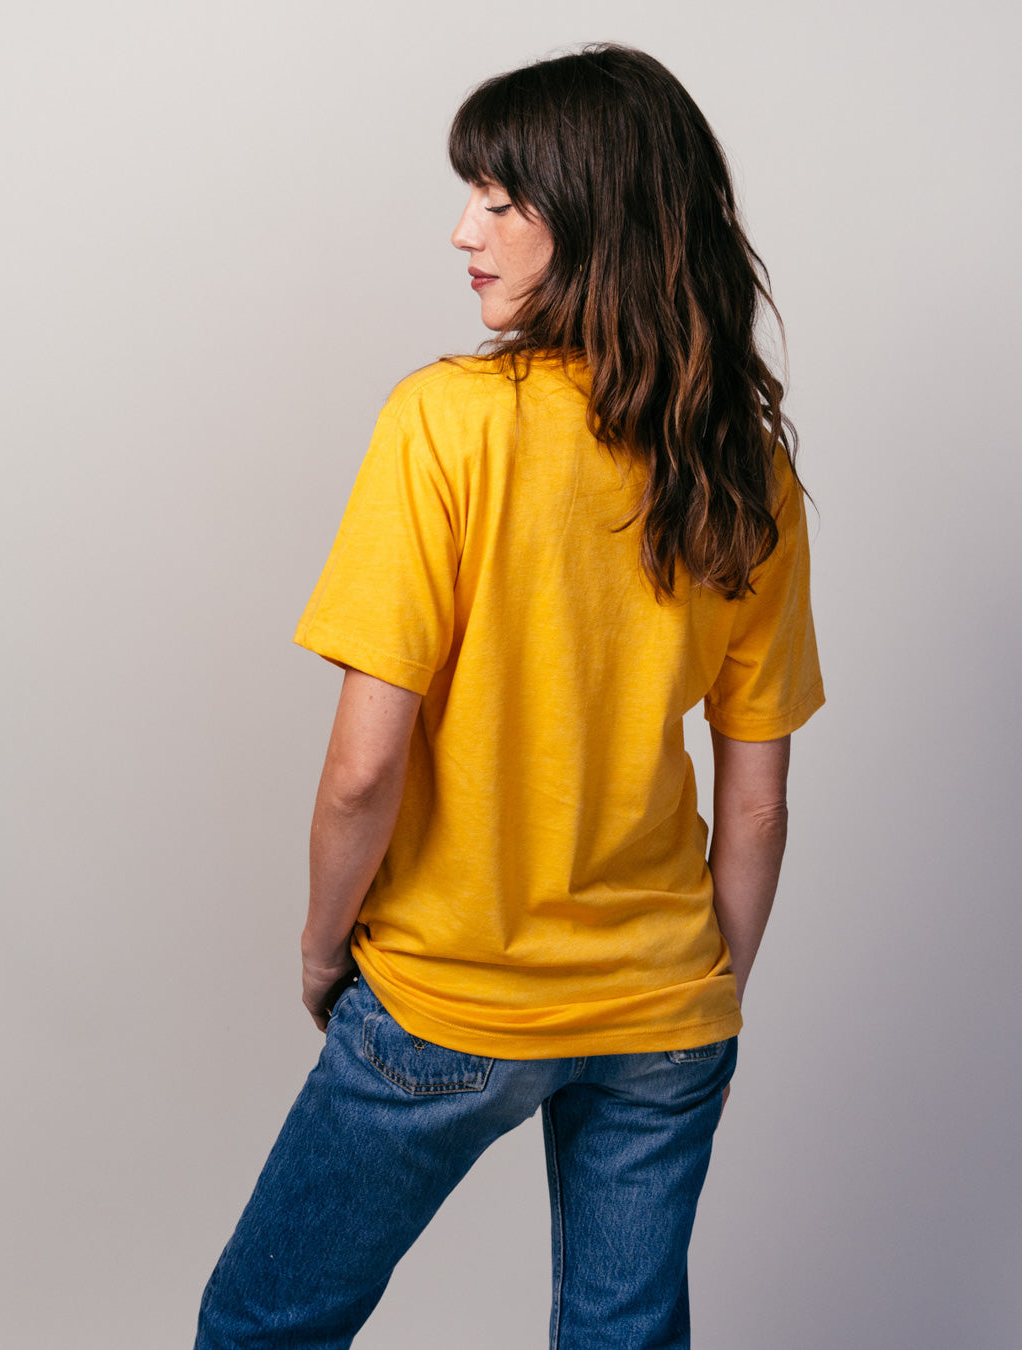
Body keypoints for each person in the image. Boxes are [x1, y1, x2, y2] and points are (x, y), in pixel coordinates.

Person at [194, 43, 824, 1350]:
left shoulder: (445, 422)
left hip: (451, 994)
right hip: (666, 1008)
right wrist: (695, 1006)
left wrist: (322, 948)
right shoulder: (743, 465)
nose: (462, 230)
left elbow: (363, 767)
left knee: (263, 1324)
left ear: (592, 217)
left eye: (499, 198)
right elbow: (756, 803)